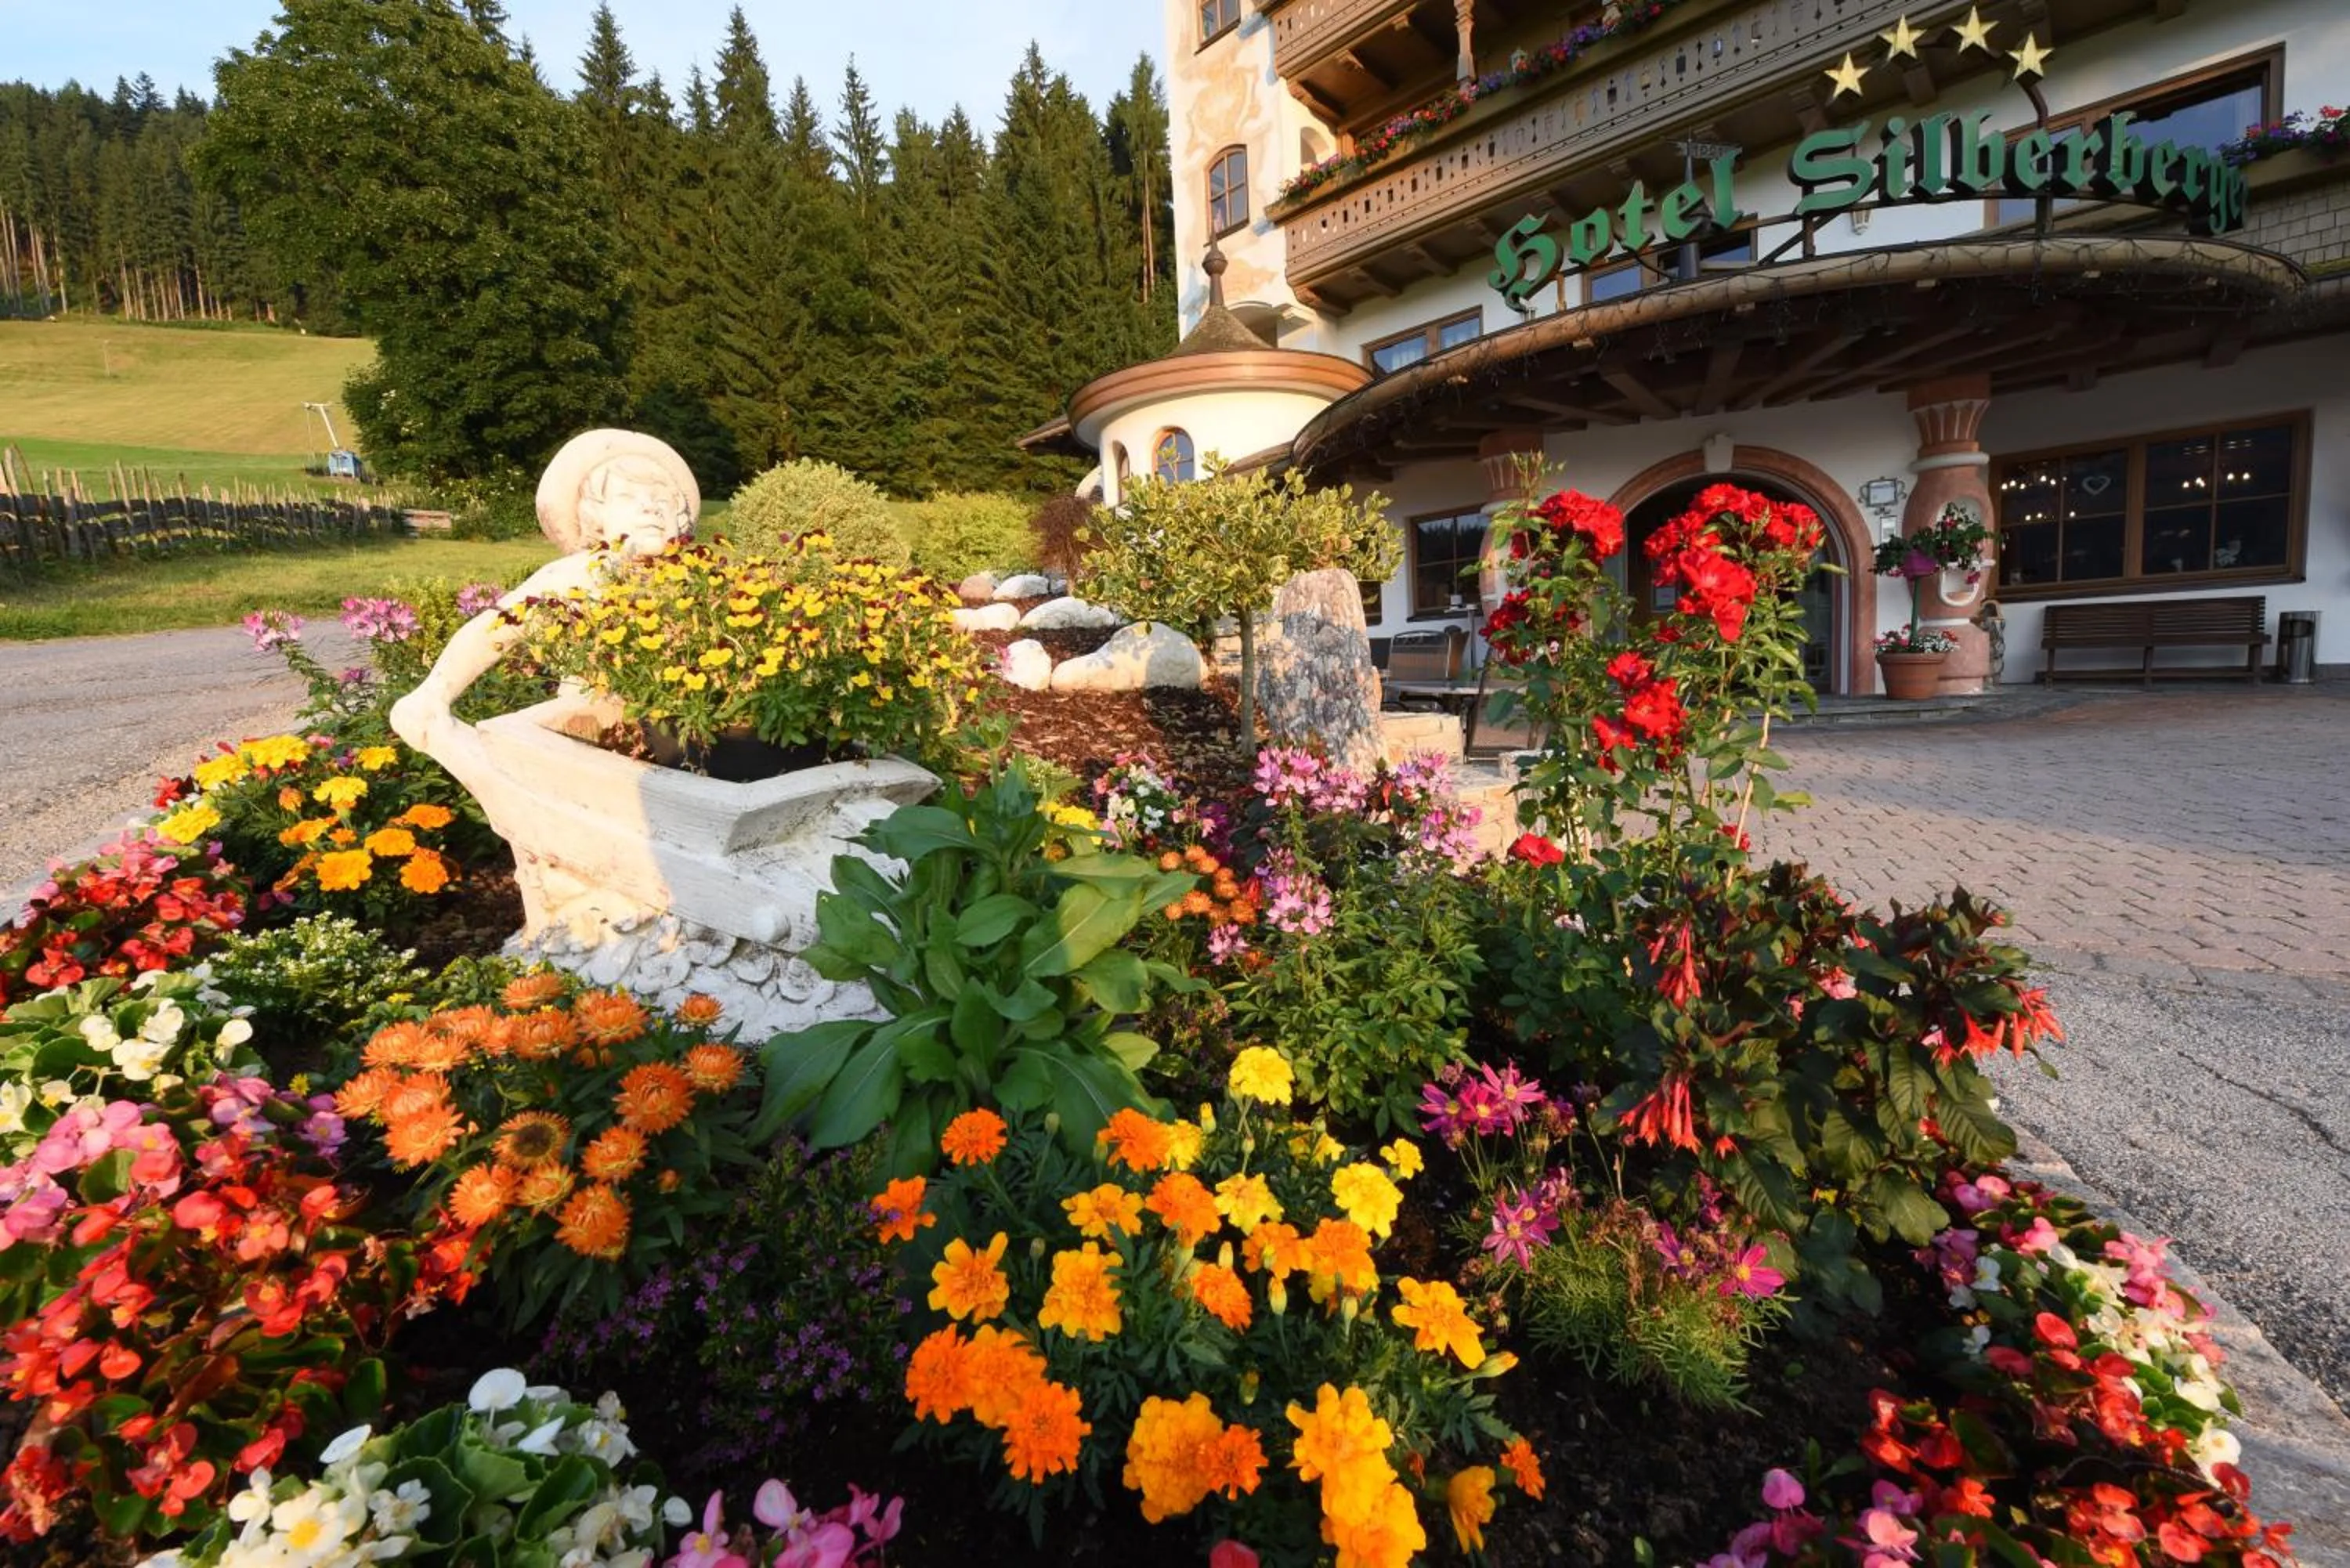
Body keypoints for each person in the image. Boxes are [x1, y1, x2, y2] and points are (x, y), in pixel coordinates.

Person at [389, 430, 699, 797]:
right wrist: (433, 694)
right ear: (595, 517)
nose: (651, 507)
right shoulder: (581, 574)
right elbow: (495, 630)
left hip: (684, 733)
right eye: (628, 497)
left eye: (662, 498)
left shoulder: (699, 580)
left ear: (679, 517)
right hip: (592, 730)